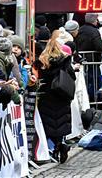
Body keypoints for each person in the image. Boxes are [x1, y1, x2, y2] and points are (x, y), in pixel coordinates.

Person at [34, 31, 77, 164]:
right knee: (61, 122)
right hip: (62, 95)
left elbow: (37, 77)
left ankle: (52, 148)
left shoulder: (41, 62)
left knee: (48, 123)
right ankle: (60, 144)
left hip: (47, 95)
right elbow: (72, 77)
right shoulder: (65, 61)